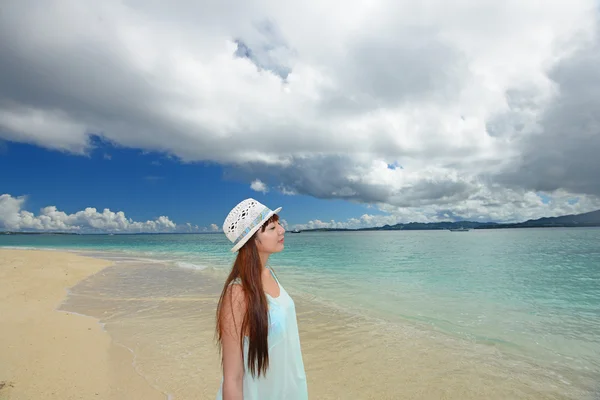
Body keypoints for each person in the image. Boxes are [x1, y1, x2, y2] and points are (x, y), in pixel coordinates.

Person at [215, 198, 308, 400]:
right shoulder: (237, 294)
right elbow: (233, 377)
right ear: (251, 240)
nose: (282, 230)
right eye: (272, 227)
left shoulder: (269, 274)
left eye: (279, 224)